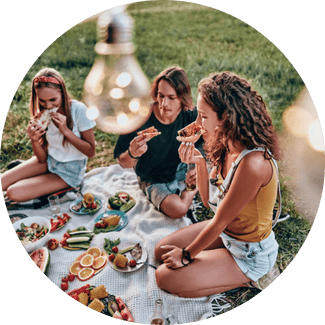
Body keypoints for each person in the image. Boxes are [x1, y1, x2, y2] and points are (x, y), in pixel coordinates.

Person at [154, 71, 282, 297]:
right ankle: (214, 267)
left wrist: (186, 255)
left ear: (226, 118)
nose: (197, 124)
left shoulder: (253, 164)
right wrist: (198, 163)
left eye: (203, 116)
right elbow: (208, 202)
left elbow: (220, 220)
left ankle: (250, 277)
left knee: (164, 276)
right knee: (160, 251)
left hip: (249, 252)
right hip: (226, 234)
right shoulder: (226, 143)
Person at [113, 66, 203, 219]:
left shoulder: (190, 115)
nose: (164, 103)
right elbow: (123, 162)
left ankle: (195, 185)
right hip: (153, 177)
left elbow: (209, 143)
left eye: (171, 97)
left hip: (183, 167)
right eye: (160, 96)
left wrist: (201, 166)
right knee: (178, 209)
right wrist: (132, 153)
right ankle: (191, 192)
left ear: (182, 98)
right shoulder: (139, 117)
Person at [2, 68, 96, 202]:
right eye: (42, 101)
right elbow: (42, 158)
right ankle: (37, 180)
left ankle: (63, 191)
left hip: (69, 171)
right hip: (49, 161)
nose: (48, 105)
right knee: (2, 182)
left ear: (62, 93)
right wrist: (34, 140)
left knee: (13, 193)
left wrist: (66, 131)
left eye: (53, 99)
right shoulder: (42, 115)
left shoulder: (79, 111)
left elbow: (91, 151)